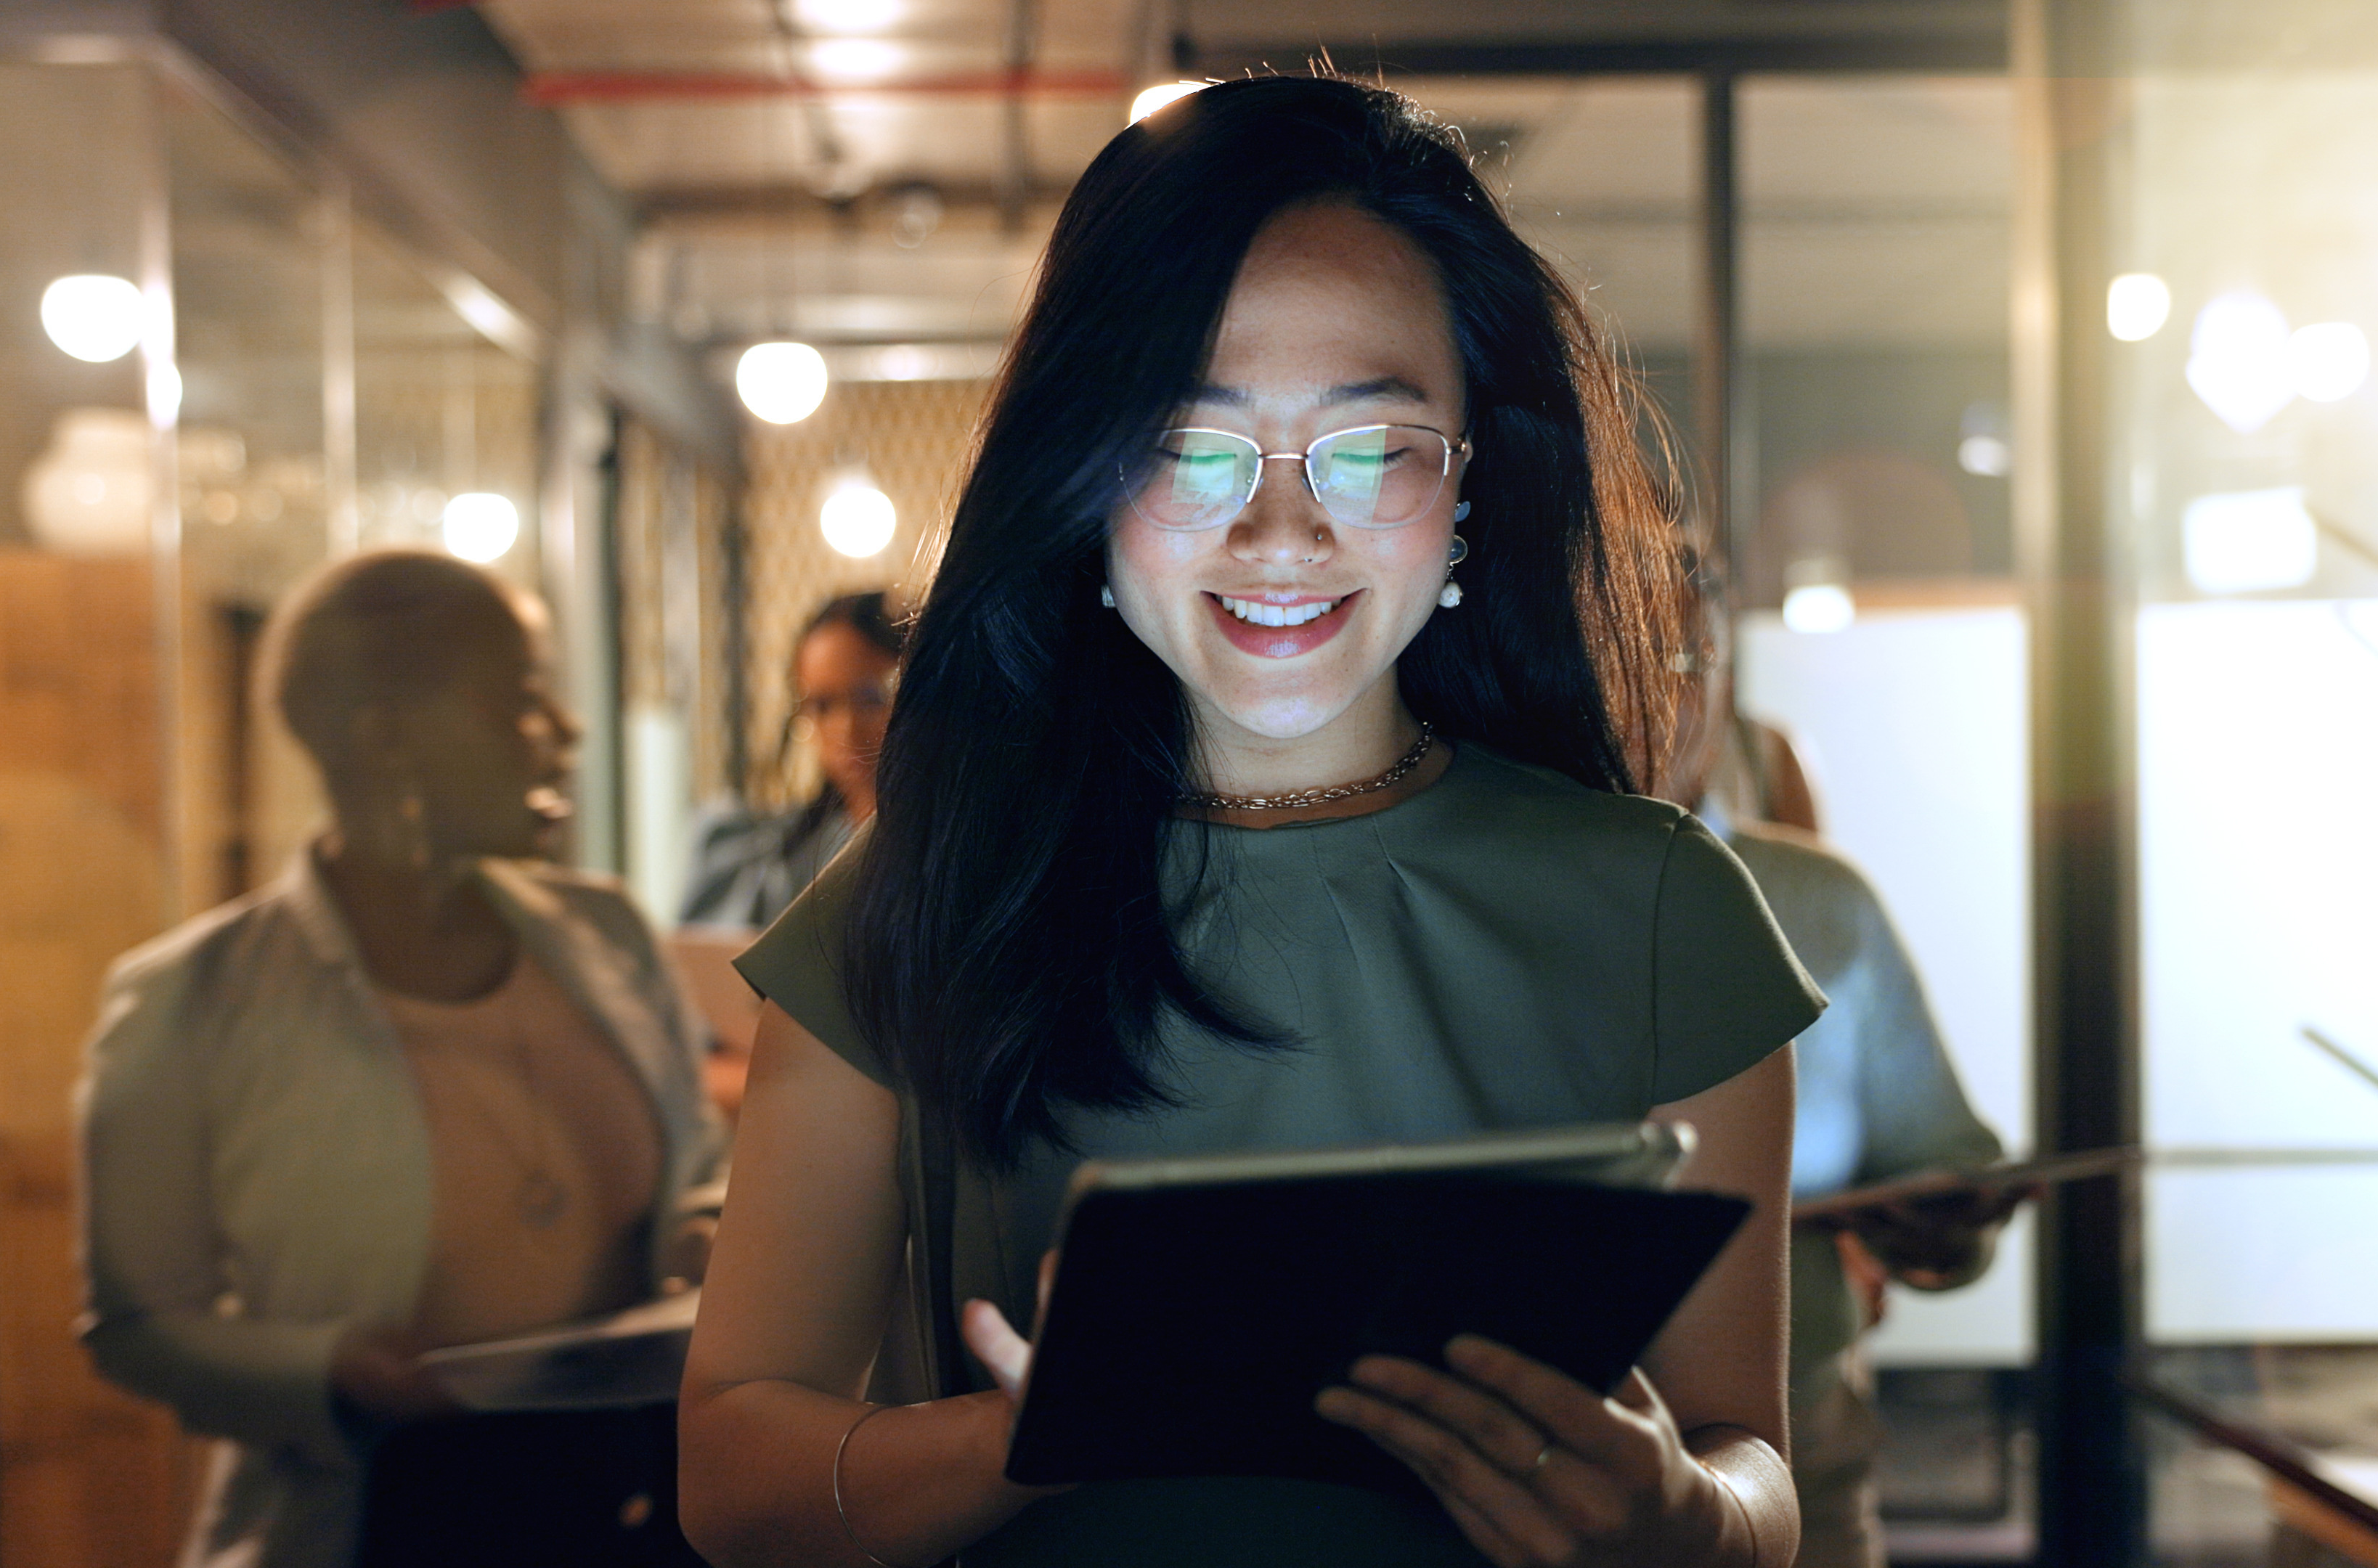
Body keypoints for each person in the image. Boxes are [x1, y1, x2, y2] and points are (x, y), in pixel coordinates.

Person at [680, 76, 1820, 1568]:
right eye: (1186, 444)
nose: (1279, 532)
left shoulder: (1668, 912)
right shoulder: (924, 896)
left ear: (1471, 479)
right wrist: (1032, 1439)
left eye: (1367, 449)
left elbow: (1751, 1462)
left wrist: (1683, 1519)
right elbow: (731, 1474)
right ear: (1083, 477)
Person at [78, 551, 724, 1568]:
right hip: (375, 1521)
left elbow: (698, 1167)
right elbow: (134, 1325)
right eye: (521, 699)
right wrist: (335, 1367)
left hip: (637, 1500)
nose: (567, 733)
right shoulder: (193, 999)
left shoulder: (608, 934)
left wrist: (703, 1230)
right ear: (387, 741)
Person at [1657, 554, 2010, 1568]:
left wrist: (1940, 1221)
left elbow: (1942, 1151)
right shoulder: (1482, 895)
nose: (1661, 692)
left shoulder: (1822, 904)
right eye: (1619, 655)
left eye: (1689, 656)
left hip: (1794, 1432)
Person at [680, 591, 905, 930]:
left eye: (871, 697)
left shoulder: (949, 849)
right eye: (823, 705)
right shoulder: (774, 857)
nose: (847, 728)